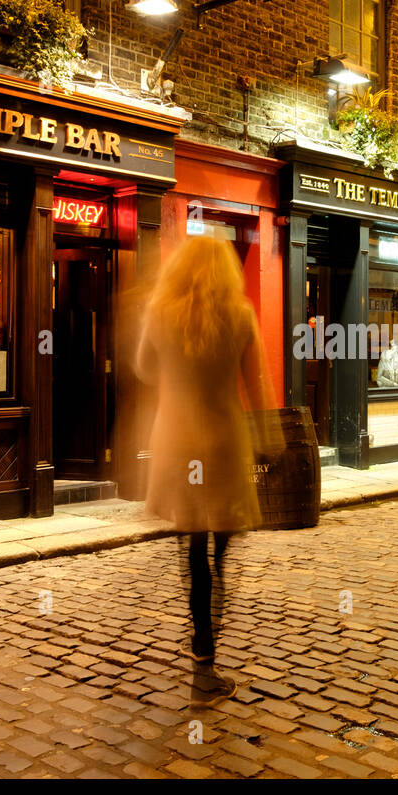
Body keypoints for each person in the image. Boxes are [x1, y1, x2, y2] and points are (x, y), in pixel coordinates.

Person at [135, 234, 281, 708]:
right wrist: (271, 440)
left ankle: (202, 647)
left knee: (191, 541)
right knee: (221, 545)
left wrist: (176, 379)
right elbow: (256, 384)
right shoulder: (239, 315)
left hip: (176, 439)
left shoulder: (161, 312)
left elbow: (142, 367)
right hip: (222, 441)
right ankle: (209, 638)